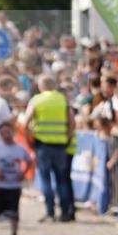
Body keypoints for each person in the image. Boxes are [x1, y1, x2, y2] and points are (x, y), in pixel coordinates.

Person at [22, 73, 75, 222]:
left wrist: (29, 142)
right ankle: (65, 212)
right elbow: (72, 123)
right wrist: (67, 139)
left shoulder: (37, 100)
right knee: (62, 180)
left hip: (42, 145)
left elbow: (25, 123)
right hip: (60, 145)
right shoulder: (62, 99)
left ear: (41, 86)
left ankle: (50, 212)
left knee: (45, 180)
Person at [0, 120, 32, 235]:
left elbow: (29, 161)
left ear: (13, 132)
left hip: (14, 185)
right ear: (0, 135)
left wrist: (24, 173)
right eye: (3, 132)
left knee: (14, 212)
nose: (6, 134)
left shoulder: (20, 148)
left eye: (8, 131)